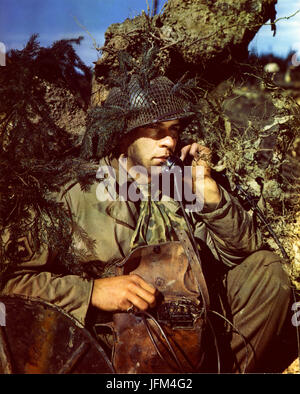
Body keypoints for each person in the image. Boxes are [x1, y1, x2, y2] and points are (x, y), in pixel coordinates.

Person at [0, 54, 292, 373]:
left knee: (267, 272)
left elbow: (242, 252)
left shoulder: (180, 183)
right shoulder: (74, 193)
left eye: (174, 129)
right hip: (109, 346)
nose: (168, 141)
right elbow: (12, 282)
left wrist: (210, 196)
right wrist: (92, 292)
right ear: (125, 135)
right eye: (155, 130)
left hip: (186, 331)